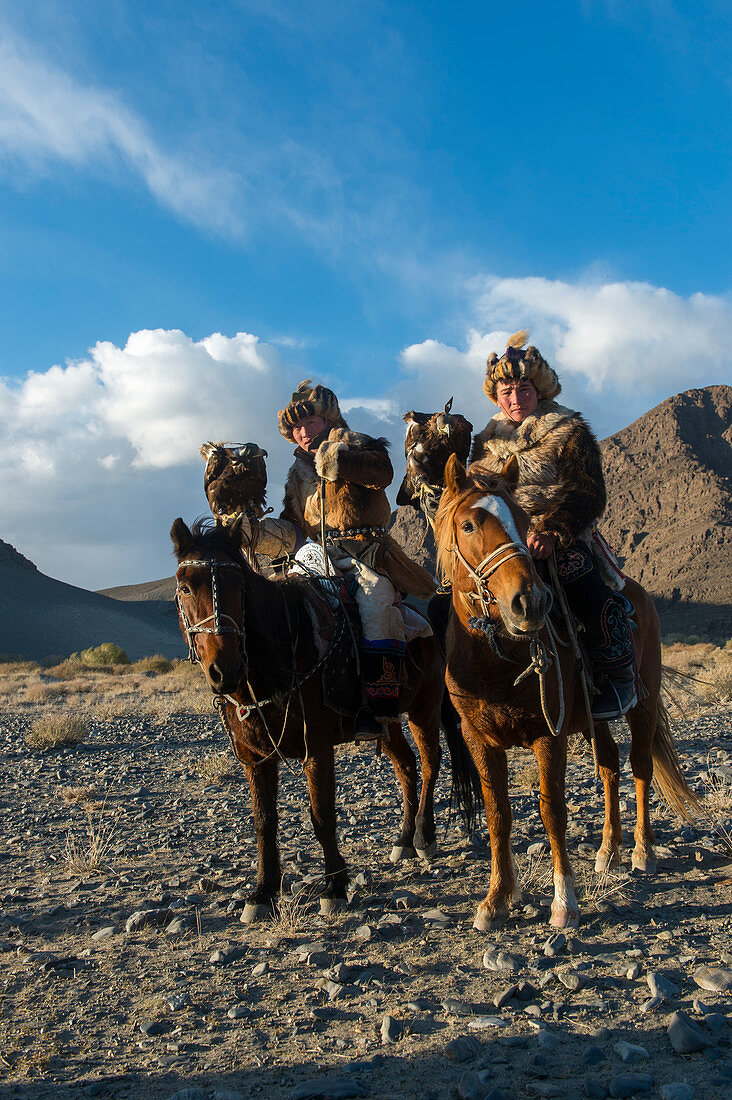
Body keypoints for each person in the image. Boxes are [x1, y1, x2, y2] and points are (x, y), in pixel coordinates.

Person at [248, 380, 437, 739]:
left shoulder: (356, 443)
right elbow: (292, 527)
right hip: (316, 553)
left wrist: (339, 463)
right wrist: (252, 532)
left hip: (366, 549)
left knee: (377, 601)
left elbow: (383, 474)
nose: (304, 433)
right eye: (296, 428)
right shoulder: (296, 474)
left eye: (311, 423)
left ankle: (379, 706)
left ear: (328, 419)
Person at [470, 331, 636, 720]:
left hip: (557, 538)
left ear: (539, 390)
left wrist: (553, 531)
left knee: (583, 585)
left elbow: (587, 492)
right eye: (506, 391)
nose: (514, 399)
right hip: (503, 543)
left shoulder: (569, 430)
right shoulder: (483, 442)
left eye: (523, 389)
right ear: (495, 396)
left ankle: (618, 677)